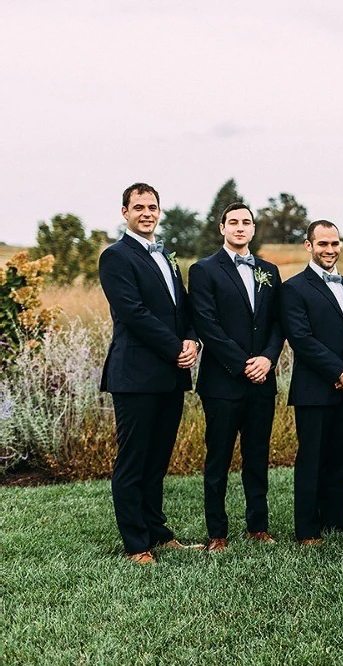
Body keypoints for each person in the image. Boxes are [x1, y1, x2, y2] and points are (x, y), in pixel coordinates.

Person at [98, 182, 201, 564]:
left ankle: (158, 533)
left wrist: (192, 340)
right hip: (136, 375)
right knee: (134, 461)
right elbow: (133, 313)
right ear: (124, 211)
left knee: (158, 460)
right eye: (138, 206)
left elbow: (184, 310)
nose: (146, 212)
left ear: (159, 212)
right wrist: (175, 347)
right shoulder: (115, 257)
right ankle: (136, 544)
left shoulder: (167, 258)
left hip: (170, 376)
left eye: (152, 206)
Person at [188, 203, 285, 552]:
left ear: (254, 229)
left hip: (263, 380)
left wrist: (268, 359)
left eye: (246, 222)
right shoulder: (203, 270)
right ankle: (218, 533)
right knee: (218, 459)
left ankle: (258, 526)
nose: (240, 227)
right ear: (222, 228)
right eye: (233, 222)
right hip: (223, 382)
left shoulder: (270, 271)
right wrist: (244, 363)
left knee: (257, 456)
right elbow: (206, 325)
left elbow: (278, 322)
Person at [280, 220, 343, 545]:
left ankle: (334, 520)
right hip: (314, 390)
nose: (330, 250)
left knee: (341, 457)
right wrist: (338, 371)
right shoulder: (293, 288)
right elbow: (301, 339)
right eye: (323, 244)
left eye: (334, 244)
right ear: (309, 246)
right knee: (312, 459)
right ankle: (307, 529)